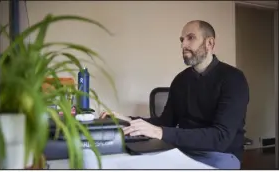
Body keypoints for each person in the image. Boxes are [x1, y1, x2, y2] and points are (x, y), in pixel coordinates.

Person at [100, 20, 249, 169]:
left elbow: (220, 138)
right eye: (182, 40)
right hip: (181, 151)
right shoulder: (180, 80)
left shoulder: (233, 79)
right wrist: (127, 120)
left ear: (210, 43)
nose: (184, 45)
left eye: (190, 38)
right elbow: (165, 122)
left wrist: (160, 132)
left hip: (220, 155)